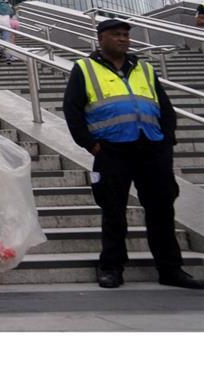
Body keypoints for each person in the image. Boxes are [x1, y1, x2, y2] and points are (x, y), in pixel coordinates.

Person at [62, 19, 203, 290]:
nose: (123, 39)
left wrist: (166, 139)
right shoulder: (85, 69)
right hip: (112, 149)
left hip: (152, 147)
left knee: (162, 209)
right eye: (116, 35)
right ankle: (112, 267)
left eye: (126, 35)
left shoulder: (145, 68)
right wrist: (91, 145)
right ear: (101, 38)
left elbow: (164, 107)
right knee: (113, 210)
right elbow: (72, 110)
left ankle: (170, 269)